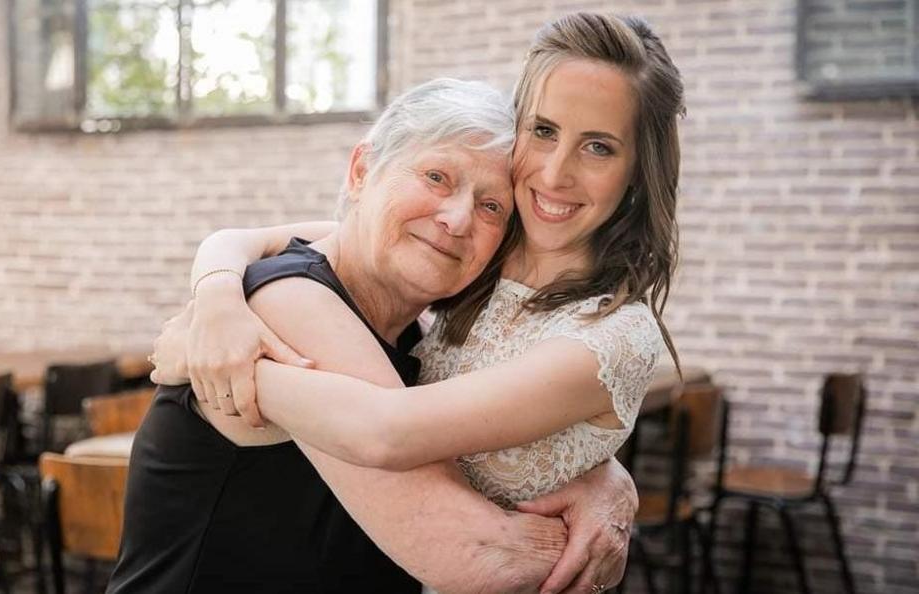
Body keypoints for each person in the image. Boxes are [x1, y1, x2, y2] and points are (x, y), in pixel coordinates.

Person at [151, 12, 685, 594]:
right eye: (435, 177)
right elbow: (478, 554)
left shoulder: (429, 318)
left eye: (490, 207)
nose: (455, 220)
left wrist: (604, 475)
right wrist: (219, 290)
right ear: (362, 170)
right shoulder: (291, 299)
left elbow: (416, 431)